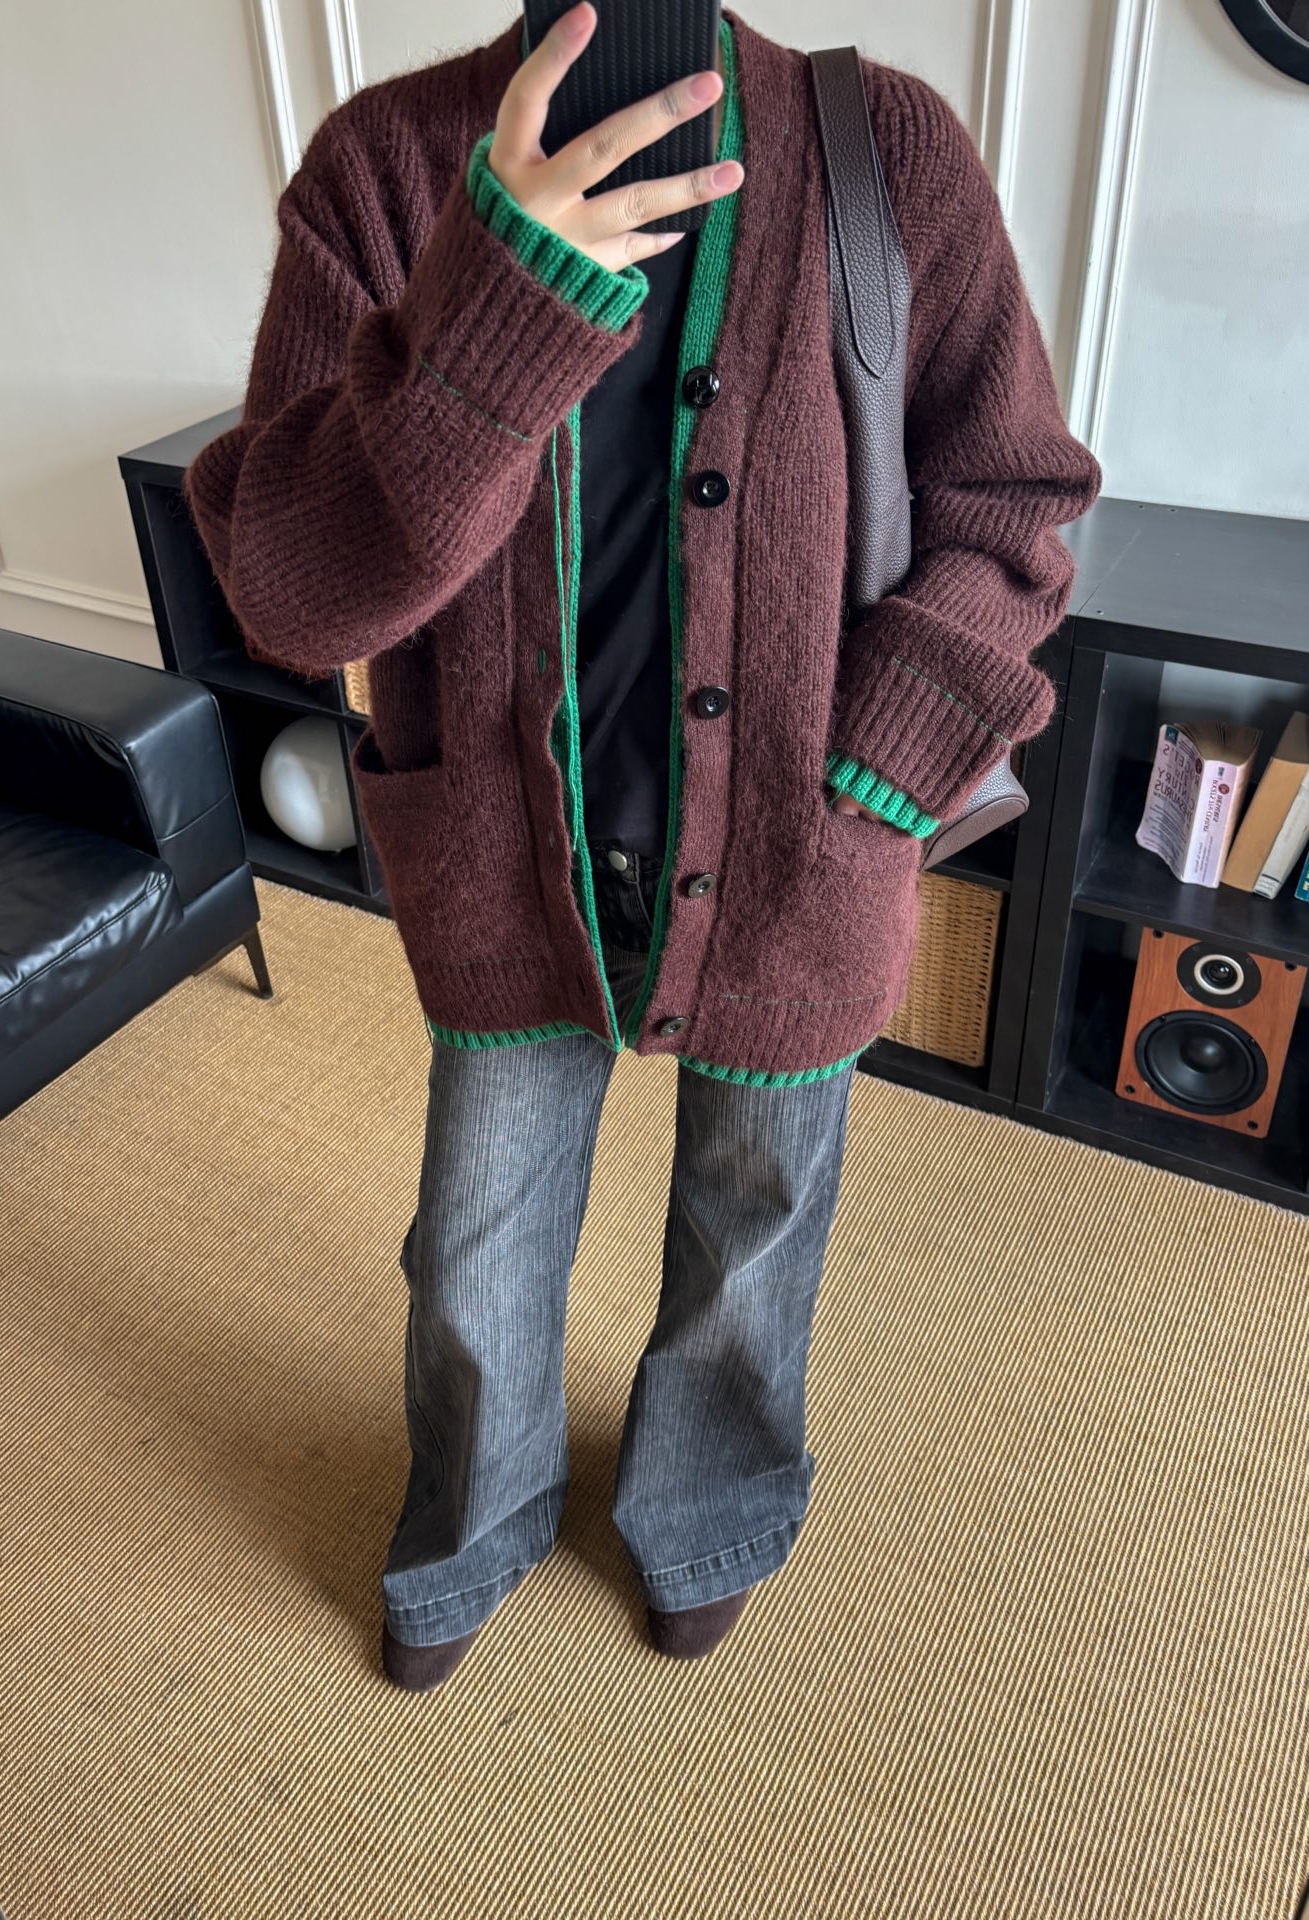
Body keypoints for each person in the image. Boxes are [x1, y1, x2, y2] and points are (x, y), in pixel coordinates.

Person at [183, 2, 1103, 1694]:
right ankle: (472, 1522)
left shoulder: (887, 150)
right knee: (476, 1240)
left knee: (759, 1220)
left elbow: (1011, 501)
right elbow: (293, 591)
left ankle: (713, 1512)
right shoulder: (388, 168)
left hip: (804, 841)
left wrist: (882, 766)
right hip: (500, 845)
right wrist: (495, 302)